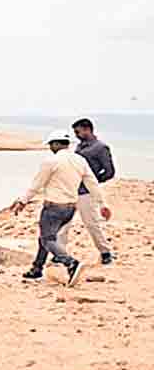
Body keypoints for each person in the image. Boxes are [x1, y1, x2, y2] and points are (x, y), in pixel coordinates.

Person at [11, 129, 111, 286]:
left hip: (53, 207)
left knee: (47, 238)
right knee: (45, 237)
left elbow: (36, 185)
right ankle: (36, 269)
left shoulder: (51, 162)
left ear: (56, 144)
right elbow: (92, 183)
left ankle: (70, 263)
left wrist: (22, 201)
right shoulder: (80, 160)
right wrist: (102, 204)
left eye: (51, 144)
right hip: (70, 208)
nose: (50, 147)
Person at [62, 118, 116, 264]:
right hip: (71, 190)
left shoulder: (101, 147)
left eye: (78, 132)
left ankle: (106, 252)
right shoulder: (79, 147)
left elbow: (110, 171)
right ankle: (60, 254)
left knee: (91, 224)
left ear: (87, 129)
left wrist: (92, 182)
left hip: (86, 192)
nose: (76, 135)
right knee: (64, 224)